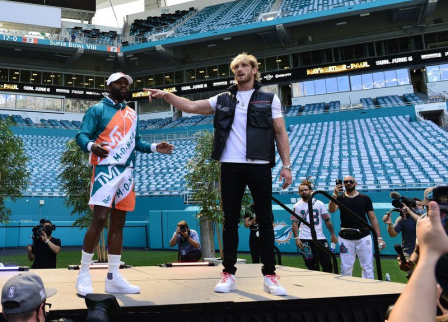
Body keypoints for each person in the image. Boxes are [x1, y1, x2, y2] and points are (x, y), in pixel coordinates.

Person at [146, 52, 293, 296]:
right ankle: (229, 274)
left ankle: (270, 275)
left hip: (259, 164)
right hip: (230, 165)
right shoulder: (223, 98)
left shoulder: (269, 99)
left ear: (254, 70)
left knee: (265, 220)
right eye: (236, 67)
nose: (240, 70)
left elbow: (280, 132)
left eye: (245, 66)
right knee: (230, 221)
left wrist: (286, 166)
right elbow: (192, 106)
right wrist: (167, 95)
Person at [75, 72, 174, 296]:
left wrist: (154, 147)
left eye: (126, 83)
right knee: (100, 219)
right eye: (119, 82)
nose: (123, 86)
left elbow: (136, 142)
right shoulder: (97, 110)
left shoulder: (131, 113)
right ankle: (83, 274)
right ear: (108, 85)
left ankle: (113, 277)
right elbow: (81, 135)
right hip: (105, 169)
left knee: (119, 223)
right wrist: (91, 146)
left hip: (127, 171)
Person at [387, 201, 448, 322]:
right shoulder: (424, 222)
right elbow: (418, 250)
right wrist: (410, 263)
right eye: (427, 207)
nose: (429, 211)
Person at [328, 175, 385, 279]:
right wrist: (335, 194)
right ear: (343, 184)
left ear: (355, 183)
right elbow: (331, 209)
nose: (348, 183)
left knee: (367, 266)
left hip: (363, 236)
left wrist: (379, 237)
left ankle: (368, 291)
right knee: (346, 267)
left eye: (351, 181)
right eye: (345, 182)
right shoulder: (339, 198)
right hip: (345, 237)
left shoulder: (365, 198)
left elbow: (372, 218)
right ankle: (348, 292)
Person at [291, 180, 338, 273]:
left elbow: (327, 220)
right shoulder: (297, 206)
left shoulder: (319, 203)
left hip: (319, 237)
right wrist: (296, 238)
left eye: (305, 190)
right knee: (310, 265)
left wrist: (332, 234)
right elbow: (295, 222)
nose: (304, 192)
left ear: (311, 190)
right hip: (305, 238)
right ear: (299, 192)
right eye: (301, 190)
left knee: (327, 263)